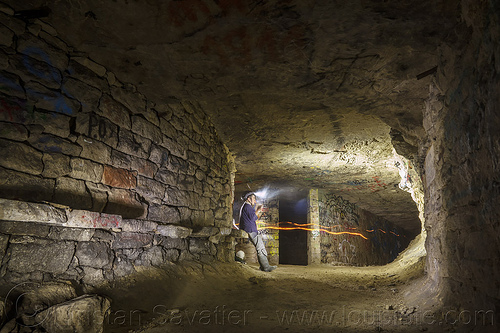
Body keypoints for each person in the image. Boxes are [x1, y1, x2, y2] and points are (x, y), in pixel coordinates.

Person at [239, 192, 277, 272]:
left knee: (260, 247)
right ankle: (266, 267)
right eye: (254, 198)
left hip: (250, 229)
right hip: (250, 230)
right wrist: (258, 210)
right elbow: (253, 218)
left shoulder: (247, 207)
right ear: (248, 199)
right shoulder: (247, 206)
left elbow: (253, 217)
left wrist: (256, 210)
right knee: (260, 248)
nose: (255, 200)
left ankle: (263, 266)